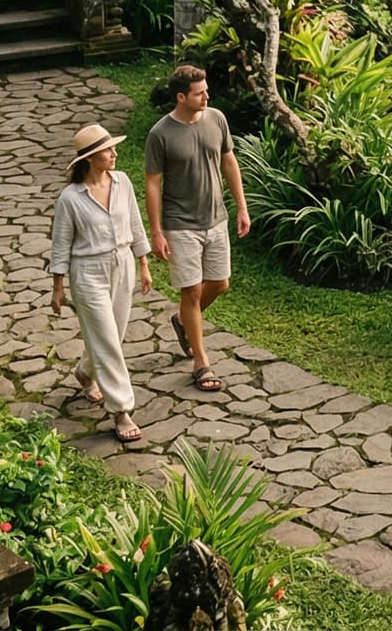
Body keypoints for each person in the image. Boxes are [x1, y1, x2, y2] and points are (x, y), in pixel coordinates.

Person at [144, 64, 251, 394]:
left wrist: (242, 207)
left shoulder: (216, 118)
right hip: (180, 225)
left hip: (216, 219)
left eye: (206, 90)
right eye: (200, 92)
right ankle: (201, 362)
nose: (207, 95)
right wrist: (157, 232)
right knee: (190, 292)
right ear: (180, 97)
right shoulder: (160, 135)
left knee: (219, 284)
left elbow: (228, 161)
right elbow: (152, 184)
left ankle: (182, 323)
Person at [49, 123, 153, 443]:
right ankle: (121, 410)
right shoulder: (70, 198)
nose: (115, 153)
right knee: (107, 340)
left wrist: (144, 264)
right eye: (108, 150)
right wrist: (58, 287)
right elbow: (61, 243)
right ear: (91, 158)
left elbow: (135, 223)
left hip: (123, 265)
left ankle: (85, 371)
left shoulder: (122, 182)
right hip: (88, 272)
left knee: (114, 335)